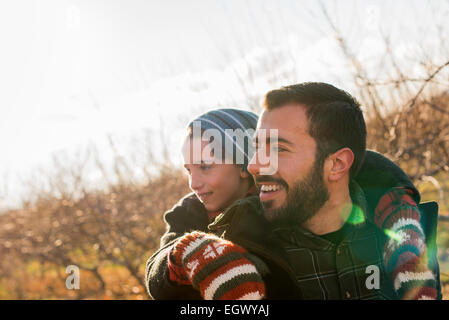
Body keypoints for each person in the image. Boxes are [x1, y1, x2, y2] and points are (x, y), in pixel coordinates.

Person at [145, 87, 439, 299]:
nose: (256, 164)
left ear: (338, 164)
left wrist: (403, 220)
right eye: (188, 169)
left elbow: (372, 169)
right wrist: (185, 254)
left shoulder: (394, 225)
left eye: (278, 148)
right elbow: (162, 278)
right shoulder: (236, 240)